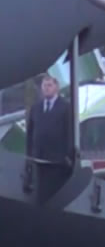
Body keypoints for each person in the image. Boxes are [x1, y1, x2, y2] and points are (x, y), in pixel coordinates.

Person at [25, 75, 73, 203]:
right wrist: (28, 155)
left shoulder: (65, 108)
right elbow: (30, 133)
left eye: (49, 85)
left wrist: (67, 156)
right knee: (37, 195)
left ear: (56, 87)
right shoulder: (36, 107)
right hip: (37, 159)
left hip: (56, 162)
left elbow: (69, 132)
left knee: (51, 195)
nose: (46, 88)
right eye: (44, 85)